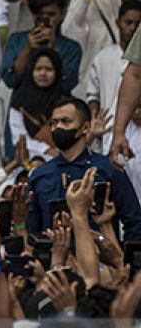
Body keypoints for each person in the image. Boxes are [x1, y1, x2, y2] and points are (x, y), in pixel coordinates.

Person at [29, 96, 141, 238]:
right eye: (54, 123)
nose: (58, 127)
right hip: (54, 256)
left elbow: (134, 222)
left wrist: (122, 258)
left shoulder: (108, 169)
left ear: (86, 127)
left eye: (66, 121)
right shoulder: (40, 175)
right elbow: (32, 230)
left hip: (101, 256)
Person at [1, 0, 83, 93]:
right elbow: (9, 80)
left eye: (51, 14)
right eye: (40, 15)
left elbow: (67, 84)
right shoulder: (16, 41)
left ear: (62, 15)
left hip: (57, 106)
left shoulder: (71, 48)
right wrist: (27, 49)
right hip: (22, 105)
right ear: (33, 15)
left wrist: (53, 50)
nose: (46, 19)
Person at [87, 0, 141, 139]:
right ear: (118, 23)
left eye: (138, 24)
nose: (133, 28)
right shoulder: (102, 57)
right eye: (128, 22)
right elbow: (93, 95)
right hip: (108, 131)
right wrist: (95, 120)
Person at [9, 48, 66, 156]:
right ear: (31, 71)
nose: (43, 73)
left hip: (61, 161)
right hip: (28, 162)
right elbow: (19, 138)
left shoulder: (67, 103)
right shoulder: (19, 103)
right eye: (38, 69)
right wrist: (46, 150)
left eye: (49, 69)